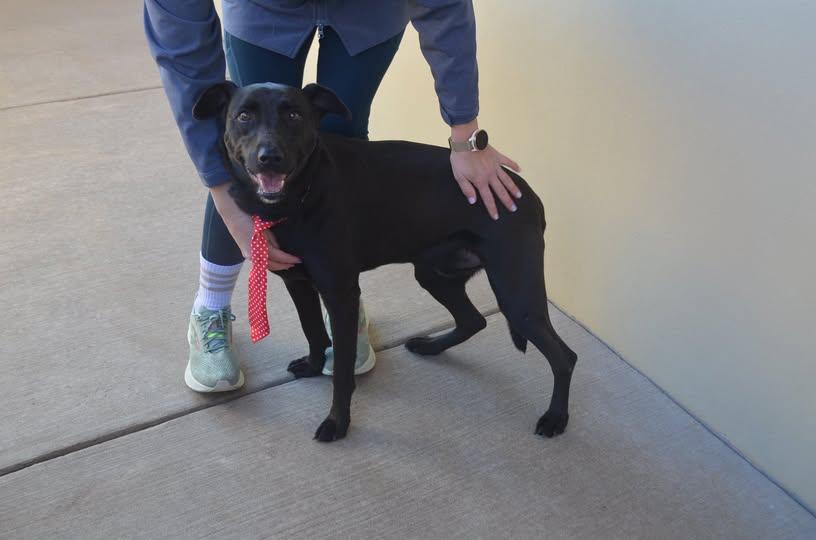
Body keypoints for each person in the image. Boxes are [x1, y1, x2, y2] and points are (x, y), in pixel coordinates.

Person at [144, 0, 522, 392]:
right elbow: (180, 41)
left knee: (341, 140)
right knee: (250, 154)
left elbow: (443, 6)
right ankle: (211, 306)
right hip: (262, 11)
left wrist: (465, 134)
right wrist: (224, 193)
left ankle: (340, 296)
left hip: (367, 15)